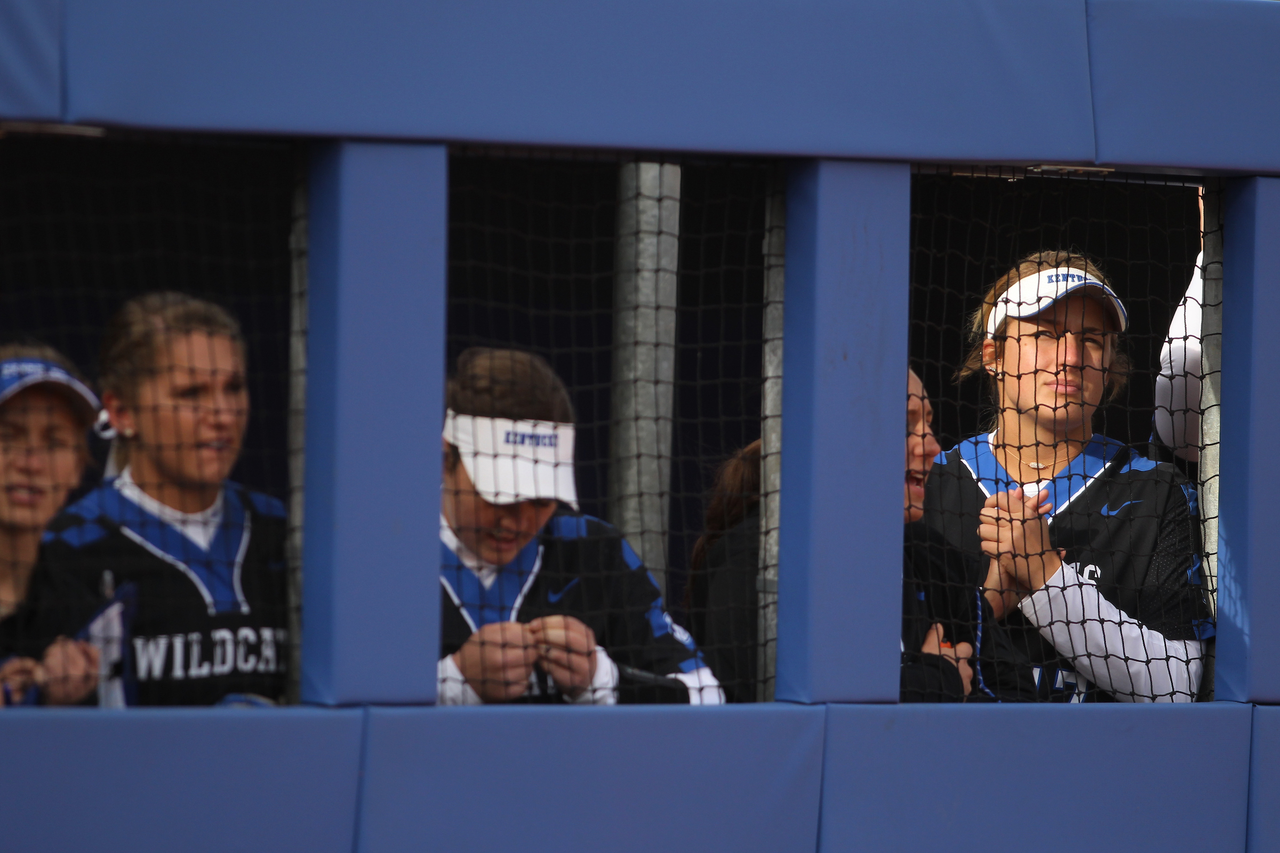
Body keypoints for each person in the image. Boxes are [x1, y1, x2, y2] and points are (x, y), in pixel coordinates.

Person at [924, 251, 1214, 703]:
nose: (1072, 357)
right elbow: (895, 663)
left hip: (1100, 767)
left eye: (1093, 339)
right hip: (955, 763)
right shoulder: (929, 486)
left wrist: (1045, 575)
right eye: (1045, 334)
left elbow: (1176, 687)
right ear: (993, 355)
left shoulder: (1155, 491)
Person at [689, 371, 1034, 703]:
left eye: (928, 423)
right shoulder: (756, 558)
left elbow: (1018, 699)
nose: (930, 445)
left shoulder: (930, 556)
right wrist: (937, 682)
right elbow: (785, 707)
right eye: (904, 425)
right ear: (837, 439)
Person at [31, 293, 290, 706]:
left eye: (234, 387)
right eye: (192, 393)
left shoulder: (284, 534)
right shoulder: (68, 549)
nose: (221, 413)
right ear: (121, 413)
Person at [438, 347, 722, 705]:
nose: (518, 520)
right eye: (500, 496)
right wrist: (449, 684)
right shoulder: (385, 551)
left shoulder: (593, 550)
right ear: (445, 458)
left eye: (541, 499)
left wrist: (602, 681)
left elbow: (708, 697)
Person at [0, 344, 102, 706]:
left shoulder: (82, 615)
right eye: (7, 436)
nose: (31, 463)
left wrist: (59, 710)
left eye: (54, 442)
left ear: (77, 468)